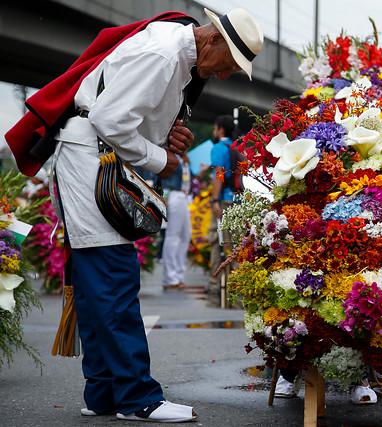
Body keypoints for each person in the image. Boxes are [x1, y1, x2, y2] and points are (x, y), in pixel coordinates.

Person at [51, 8, 263, 423]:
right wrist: (160, 156)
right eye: (230, 65)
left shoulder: (173, 51)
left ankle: (104, 392)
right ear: (214, 40)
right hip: (91, 160)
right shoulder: (166, 56)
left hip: (89, 157)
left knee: (98, 283)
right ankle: (136, 398)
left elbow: (120, 112)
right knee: (114, 278)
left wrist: (164, 135)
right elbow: (109, 118)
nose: (224, 76)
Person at [207, 114, 237, 306]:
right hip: (237, 200)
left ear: (220, 130)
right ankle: (237, 284)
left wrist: (214, 199)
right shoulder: (236, 147)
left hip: (223, 201)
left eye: (215, 128)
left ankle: (214, 282)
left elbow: (219, 174)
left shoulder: (218, 148)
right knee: (235, 244)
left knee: (217, 239)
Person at [161, 153, 192, 290]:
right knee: (172, 236)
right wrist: (165, 196)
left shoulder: (183, 158)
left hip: (184, 196)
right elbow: (161, 178)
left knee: (186, 236)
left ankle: (178, 275)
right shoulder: (169, 156)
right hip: (174, 195)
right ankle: (170, 277)